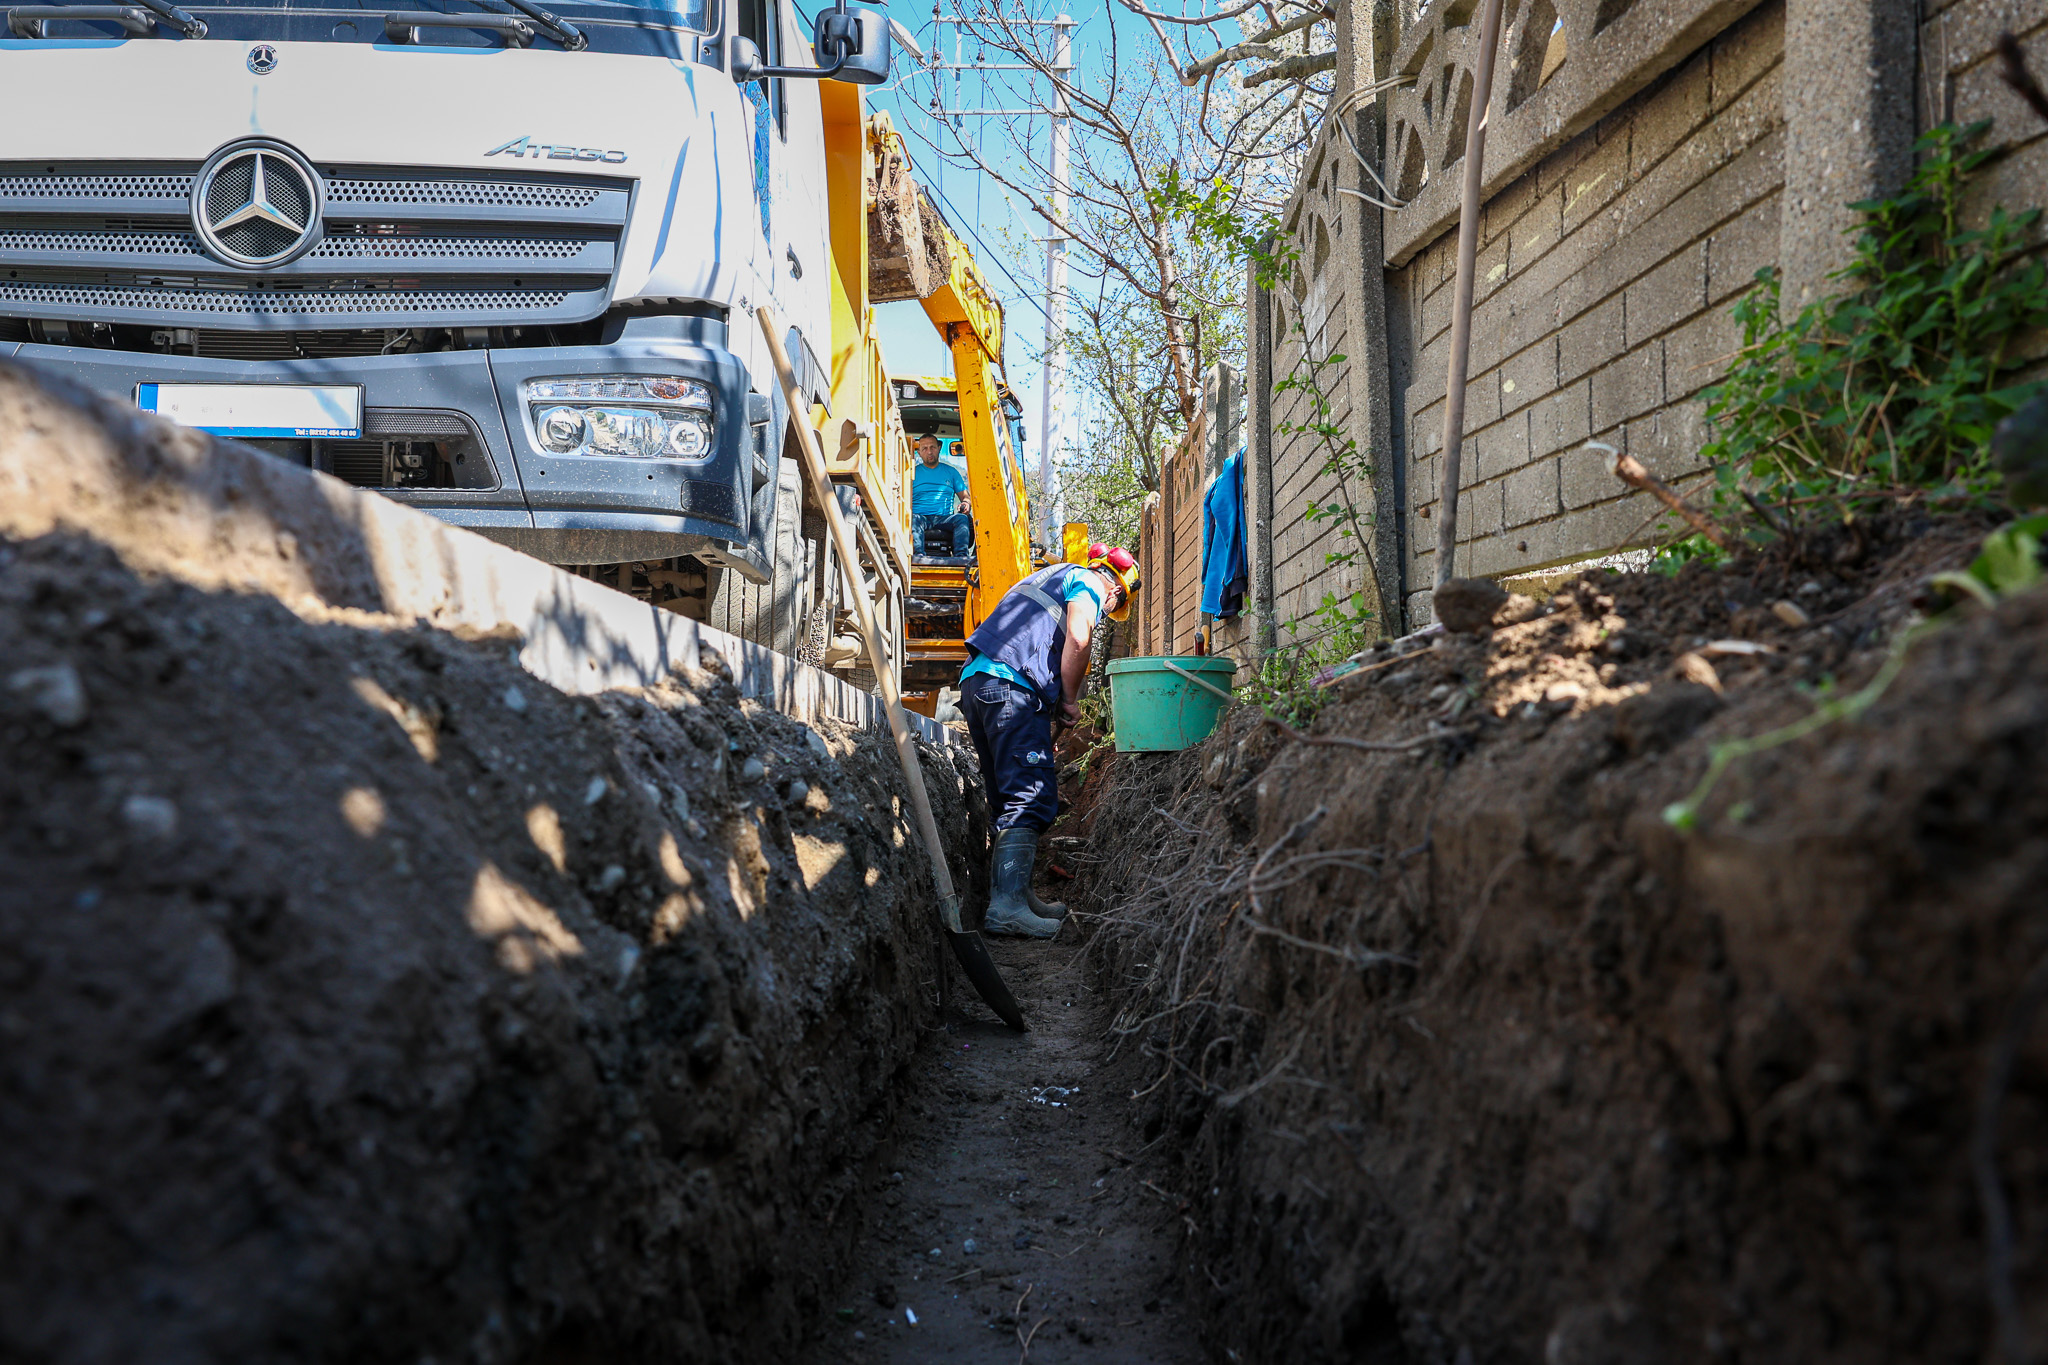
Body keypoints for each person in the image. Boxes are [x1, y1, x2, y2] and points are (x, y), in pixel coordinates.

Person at [959, 544, 1142, 938]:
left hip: (980, 683)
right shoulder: (1089, 584)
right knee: (1031, 795)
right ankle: (1006, 907)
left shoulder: (1051, 575)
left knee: (1009, 795)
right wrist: (1071, 700)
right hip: (1011, 686)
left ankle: (1018, 895)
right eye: (1113, 608)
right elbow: (1079, 638)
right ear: (1115, 592)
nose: (1108, 612)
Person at [910, 434, 972, 557]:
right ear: (919, 452)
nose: (929, 452)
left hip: (944, 519)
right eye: (924, 448)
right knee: (912, 519)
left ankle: (961, 557)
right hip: (920, 517)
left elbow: (965, 497)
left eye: (932, 447)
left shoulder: (951, 472)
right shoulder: (911, 473)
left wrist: (966, 503)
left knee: (962, 519)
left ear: (939, 448)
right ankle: (919, 557)